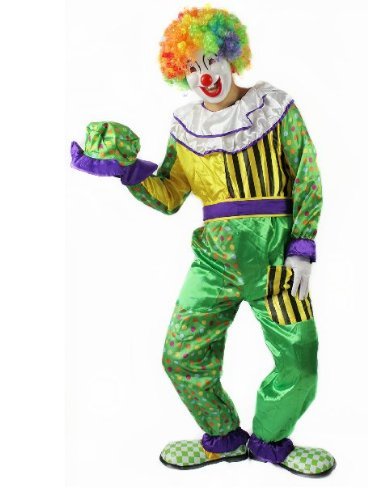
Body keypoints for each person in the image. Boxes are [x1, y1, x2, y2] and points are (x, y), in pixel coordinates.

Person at [71, 6, 335, 477]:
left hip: (277, 264)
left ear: (232, 57)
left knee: (300, 362)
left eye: (211, 60)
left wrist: (302, 248)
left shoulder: (274, 106)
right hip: (213, 264)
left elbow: (307, 177)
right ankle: (223, 437)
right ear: (181, 74)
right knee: (181, 355)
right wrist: (126, 172)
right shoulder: (185, 125)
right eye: (192, 67)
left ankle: (271, 440)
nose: (204, 75)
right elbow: (171, 194)